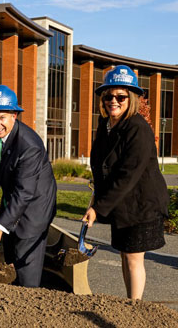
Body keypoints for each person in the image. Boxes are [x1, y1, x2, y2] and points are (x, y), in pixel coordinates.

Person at [83, 65, 167, 300]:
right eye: (108, 95)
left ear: (131, 99)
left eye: (120, 96)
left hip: (141, 204)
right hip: (122, 202)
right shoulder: (106, 124)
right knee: (124, 253)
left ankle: (134, 309)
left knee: (133, 256)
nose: (113, 101)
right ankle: (128, 305)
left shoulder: (138, 128)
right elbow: (101, 164)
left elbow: (128, 174)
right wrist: (95, 198)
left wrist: (99, 208)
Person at [0, 84, 56, 288]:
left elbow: (25, 192)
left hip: (34, 207)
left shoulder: (29, 146)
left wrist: (1, 225)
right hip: (13, 199)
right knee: (11, 256)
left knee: (25, 267)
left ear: (14, 115)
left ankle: (30, 306)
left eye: (2, 117)